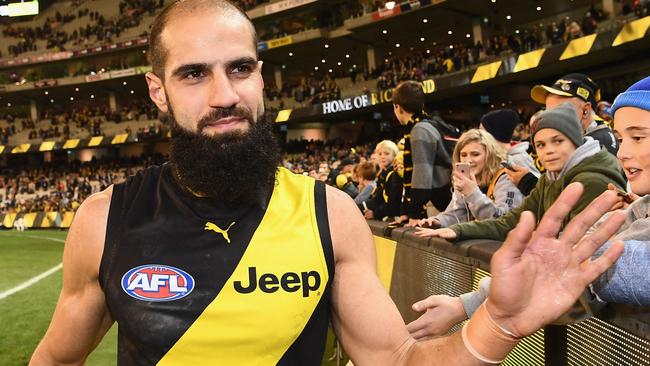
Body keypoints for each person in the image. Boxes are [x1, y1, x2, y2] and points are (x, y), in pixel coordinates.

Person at [29, 1, 627, 364]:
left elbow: (394, 361)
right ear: (158, 91)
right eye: (193, 74)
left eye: (240, 68)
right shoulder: (104, 218)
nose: (225, 96)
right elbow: (57, 358)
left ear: (261, 76)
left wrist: (499, 324)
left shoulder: (331, 214)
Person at [407, 76, 650, 341]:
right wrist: (457, 231)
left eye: (637, 137)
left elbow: (578, 263)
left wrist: (467, 304)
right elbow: (517, 224)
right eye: (621, 138)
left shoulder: (591, 180)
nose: (623, 152)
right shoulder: (554, 180)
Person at [416, 103, 626, 242]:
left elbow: (574, 249)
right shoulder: (549, 179)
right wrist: (457, 229)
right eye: (541, 145)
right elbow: (510, 222)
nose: (549, 150)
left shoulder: (592, 181)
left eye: (558, 141)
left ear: (576, 140)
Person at [417, 129, 523, 229]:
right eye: (463, 155)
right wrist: (437, 221)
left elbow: (504, 222)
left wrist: (472, 193)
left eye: (475, 154)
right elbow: (456, 214)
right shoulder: (466, 178)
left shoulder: (507, 177)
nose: (468, 160)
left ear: (490, 155)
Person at [392, 81, 452, 226]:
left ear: (397, 107)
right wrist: (406, 212)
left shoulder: (419, 130)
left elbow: (421, 175)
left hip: (442, 202)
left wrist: (414, 214)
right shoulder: (427, 124)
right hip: (444, 199)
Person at [531, 73, 618, 155]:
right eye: (548, 112)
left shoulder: (594, 146)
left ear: (585, 110)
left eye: (560, 111)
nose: (551, 118)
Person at [479, 109, 541, 196]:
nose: (478, 137)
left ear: (494, 134)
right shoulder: (504, 157)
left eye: (482, 132)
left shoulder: (517, 160)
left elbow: (539, 195)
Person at [364, 142, 403, 221]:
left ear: (394, 156)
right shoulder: (383, 174)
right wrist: (362, 206)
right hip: (387, 213)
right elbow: (378, 198)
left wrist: (375, 213)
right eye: (380, 154)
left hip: (396, 216)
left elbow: (393, 203)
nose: (382, 157)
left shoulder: (394, 174)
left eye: (387, 154)